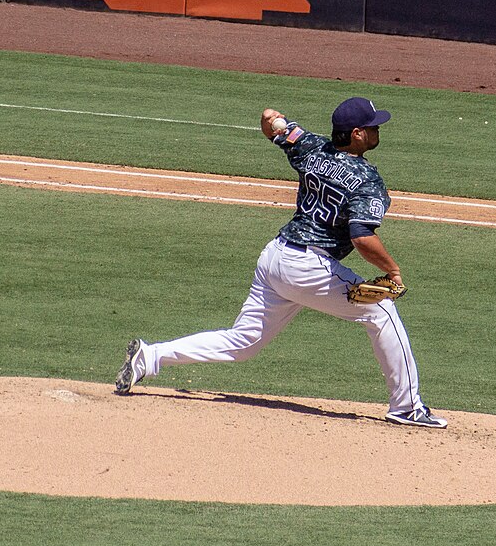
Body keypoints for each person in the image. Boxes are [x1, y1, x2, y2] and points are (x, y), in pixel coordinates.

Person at [115, 99, 449, 431]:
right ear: (358, 134)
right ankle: (407, 407)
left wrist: (275, 120)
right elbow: (362, 237)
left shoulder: (311, 147)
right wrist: (393, 270)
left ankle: (149, 356)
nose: (378, 130)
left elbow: (269, 120)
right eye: (373, 126)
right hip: (309, 268)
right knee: (382, 311)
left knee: (244, 342)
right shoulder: (367, 179)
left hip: (275, 258)